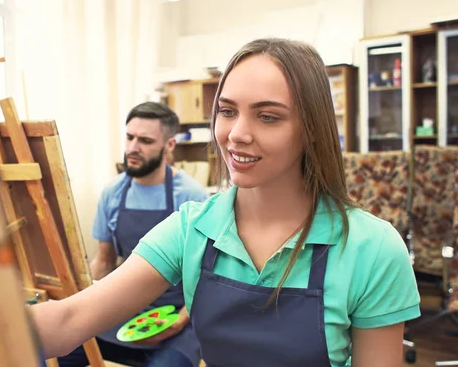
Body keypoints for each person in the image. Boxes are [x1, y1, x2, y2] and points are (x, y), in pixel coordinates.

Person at [31, 38, 421, 367]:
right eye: (227, 111)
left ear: (313, 130)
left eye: (268, 117)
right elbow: (69, 318)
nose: (236, 134)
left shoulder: (373, 249)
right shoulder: (192, 228)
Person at [57, 101, 208, 367]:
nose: (133, 148)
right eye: (129, 137)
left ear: (169, 145)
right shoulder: (113, 192)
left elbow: (206, 277)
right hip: (123, 307)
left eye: (145, 140)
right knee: (59, 355)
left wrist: (179, 322)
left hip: (178, 315)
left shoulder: (191, 197)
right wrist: (78, 303)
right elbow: (104, 261)